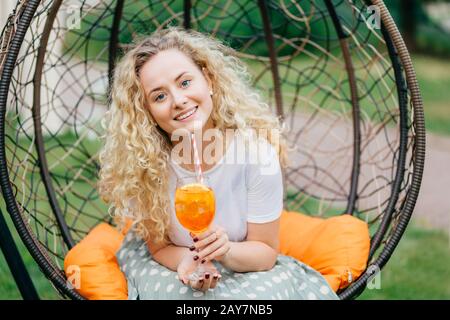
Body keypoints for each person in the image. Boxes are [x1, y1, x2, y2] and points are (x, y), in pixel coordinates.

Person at [98, 27, 338, 300]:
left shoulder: (255, 155)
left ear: (209, 80)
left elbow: (266, 252)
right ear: (147, 112)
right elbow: (160, 248)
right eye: (159, 96)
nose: (178, 100)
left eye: (185, 82)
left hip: (244, 266)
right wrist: (187, 262)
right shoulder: (146, 167)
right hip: (175, 264)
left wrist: (226, 251)